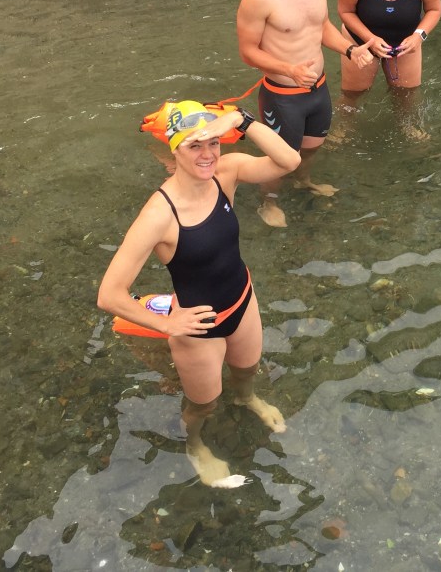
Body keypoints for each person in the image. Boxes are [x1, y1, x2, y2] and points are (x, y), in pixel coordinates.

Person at [98, 100, 300, 487]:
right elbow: (110, 294)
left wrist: (241, 120)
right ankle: (194, 445)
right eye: (194, 145)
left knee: (247, 370)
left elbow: (288, 161)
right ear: (174, 149)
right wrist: (167, 324)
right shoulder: (159, 214)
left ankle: (247, 399)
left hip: (243, 301)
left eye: (213, 142)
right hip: (198, 329)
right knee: (203, 405)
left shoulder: (226, 172)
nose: (207, 154)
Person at [235, 0, 374, 227]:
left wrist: (350, 50)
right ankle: (268, 201)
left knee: (311, 149)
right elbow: (247, 52)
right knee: (281, 160)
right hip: (282, 96)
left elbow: (320, 26)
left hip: (318, 90)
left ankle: (303, 181)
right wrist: (289, 69)